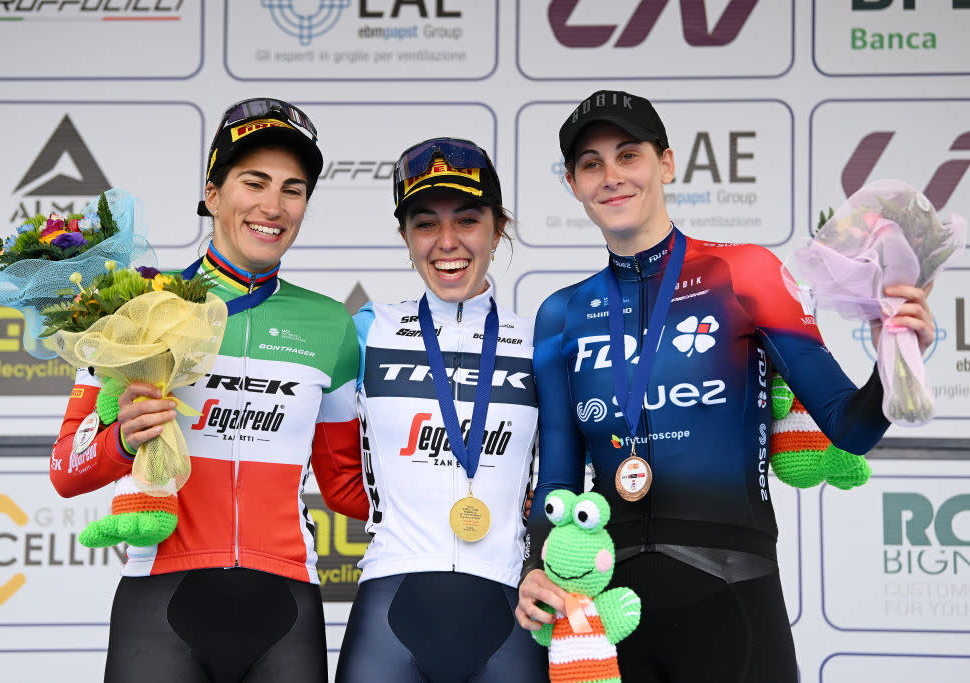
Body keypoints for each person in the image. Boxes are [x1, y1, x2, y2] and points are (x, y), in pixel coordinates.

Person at [514, 90, 935, 682]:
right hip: (607, 617)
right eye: (591, 164)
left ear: (666, 163)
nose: (611, 177)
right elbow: (558, 478)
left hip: (732, 596)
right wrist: (537, 563)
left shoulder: (745, 273)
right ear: (574, 183)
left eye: (627, 155)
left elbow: (851, 425)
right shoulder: (561, 314)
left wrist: (898, 351)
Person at [49, 98, 360, 683]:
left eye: (293, 189)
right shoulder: (136, 305)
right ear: (213, 194)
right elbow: (67, 468)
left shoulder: (331, 326)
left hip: (286, 605)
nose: (274, 206)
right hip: (160, 603)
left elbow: (346, 484)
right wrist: (120, 441)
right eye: (255, 182)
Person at [312, 138, 548, 682]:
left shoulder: (538, 342)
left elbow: (560, 480)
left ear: (498, 227)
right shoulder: (368, 330)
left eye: (467, 219)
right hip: (391, 605)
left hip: (511, 607)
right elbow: (341, 477)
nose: (447, 242)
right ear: (404, 236)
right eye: (425, 224)